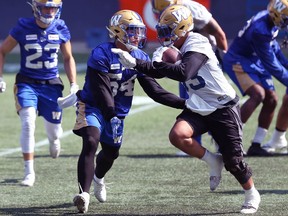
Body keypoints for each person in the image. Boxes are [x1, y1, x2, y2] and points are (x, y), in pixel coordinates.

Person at [113, 4, 261, 214]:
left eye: (169, 30)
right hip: (199, 104)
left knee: (234, 163)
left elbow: (184, 73)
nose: (165, 35)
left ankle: (252, 193)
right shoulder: (174, 49)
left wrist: (139, 64)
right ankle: (212, 161)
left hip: (223, 106)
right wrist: (144, 64)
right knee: (178, 135)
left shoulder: (197, 41)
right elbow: (158, 74)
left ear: (183, 28)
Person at [71, 9, 186, 214]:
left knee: (111, 153)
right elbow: (101, 90)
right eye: (132, 31)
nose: (137, 36)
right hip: (93, 106)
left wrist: (184, 104)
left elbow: (155, 91)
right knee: (90, 140)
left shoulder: (139, 56)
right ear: (117, 32)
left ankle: (98, 178)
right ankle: (84, 195)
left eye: (138, 31)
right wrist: (110, 115)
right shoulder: (101, 53)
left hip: (118, 113)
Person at [0, 0, 79, 187]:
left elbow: (68, 58)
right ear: (36, 8)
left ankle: (54, 140)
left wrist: (74, 84)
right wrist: (0, 76)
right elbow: (2, 51)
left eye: (54, 8)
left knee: (54, 132)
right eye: (46, 7)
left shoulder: (60, 27)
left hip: (51, 85)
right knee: (28, 123)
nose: (51, 12)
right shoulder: (23, 26)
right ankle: (29, 172)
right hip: (27, 82)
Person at [151, 0, 228, 155]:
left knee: (211, 100)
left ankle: (223, 141)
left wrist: (226, 58)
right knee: (190, 99)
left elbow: (218, 32)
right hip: (185, 57)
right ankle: (193, 141)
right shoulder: (168, 13)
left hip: (202, 58)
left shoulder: (191, 8)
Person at [222, 0, 288, 156]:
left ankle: (256, 144)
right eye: (285, 18)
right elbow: (272, 65)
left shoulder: (269, 20)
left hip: (254, 59)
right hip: (238, 59)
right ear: (276, 14)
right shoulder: (260, 29)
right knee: (258, 94)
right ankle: (227, 140)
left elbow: (274, 48)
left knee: (272, 99)